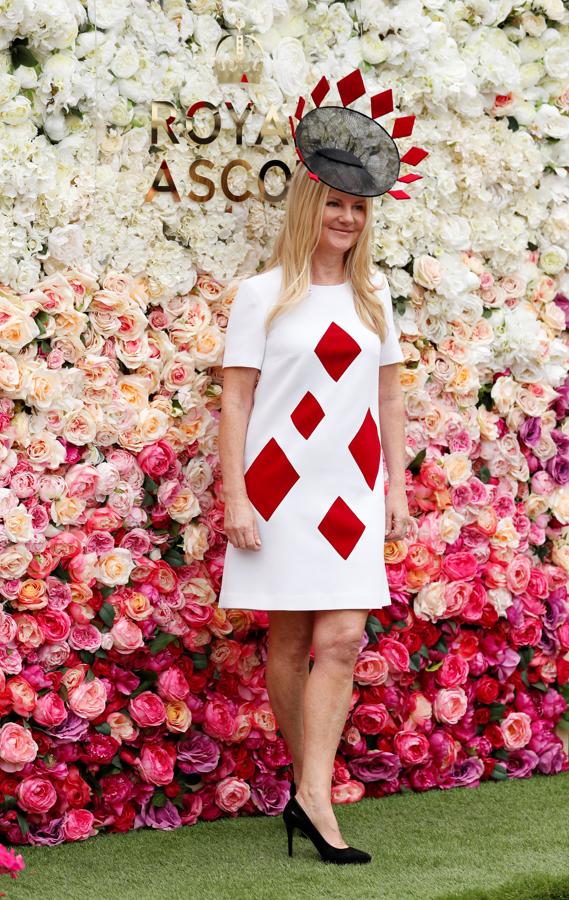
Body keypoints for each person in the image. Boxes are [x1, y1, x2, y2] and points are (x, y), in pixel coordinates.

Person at [218, 77, 420, 864]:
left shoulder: (373, 299)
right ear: (310, 206)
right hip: (277, 490)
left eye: (358, 206)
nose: (345, 217)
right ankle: (307, 794)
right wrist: (236, 494)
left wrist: (396, 488)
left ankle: (312, 794)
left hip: (350, 490)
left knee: (341, 638)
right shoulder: (260, 296)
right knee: (291, 638)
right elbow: (236, 403)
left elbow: (388, 398)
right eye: (333, 201)